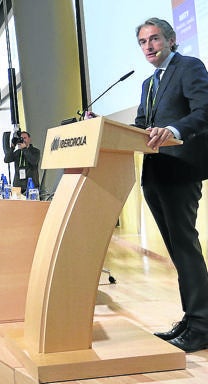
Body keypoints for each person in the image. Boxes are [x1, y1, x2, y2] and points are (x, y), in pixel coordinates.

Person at [133, 18, 208, 353]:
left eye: (155, 39)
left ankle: (203, 325)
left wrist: (174, 131)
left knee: (184, 245)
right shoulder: (149, 83)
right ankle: (192, 319)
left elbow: (205, 110)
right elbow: (140, 125)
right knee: (177, 249)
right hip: (155, 173)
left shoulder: (189, 67)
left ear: (171, 39)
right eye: (143, 42)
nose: (149, 46)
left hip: (180, 170)